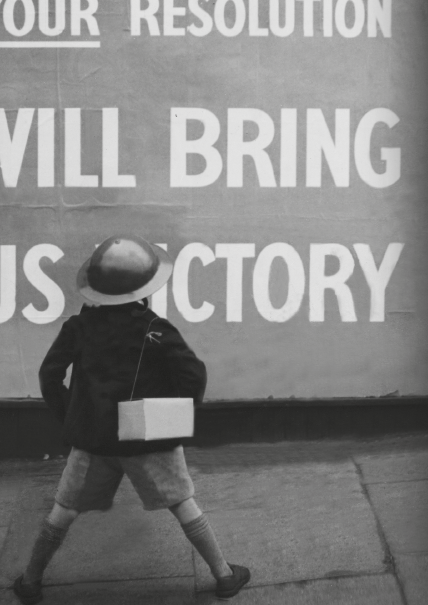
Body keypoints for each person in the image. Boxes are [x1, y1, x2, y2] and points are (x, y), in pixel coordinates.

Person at [13, 235, 251, 603]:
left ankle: (30, 581)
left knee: (63, 510)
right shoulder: (155, 329)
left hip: (93, 440)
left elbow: (50, 376)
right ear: (144, 288)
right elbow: (193, 377)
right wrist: (173, 413)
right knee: (184, 504)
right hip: (148, 435)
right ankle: (223, 575)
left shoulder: (78, 328)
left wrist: (72, 418)